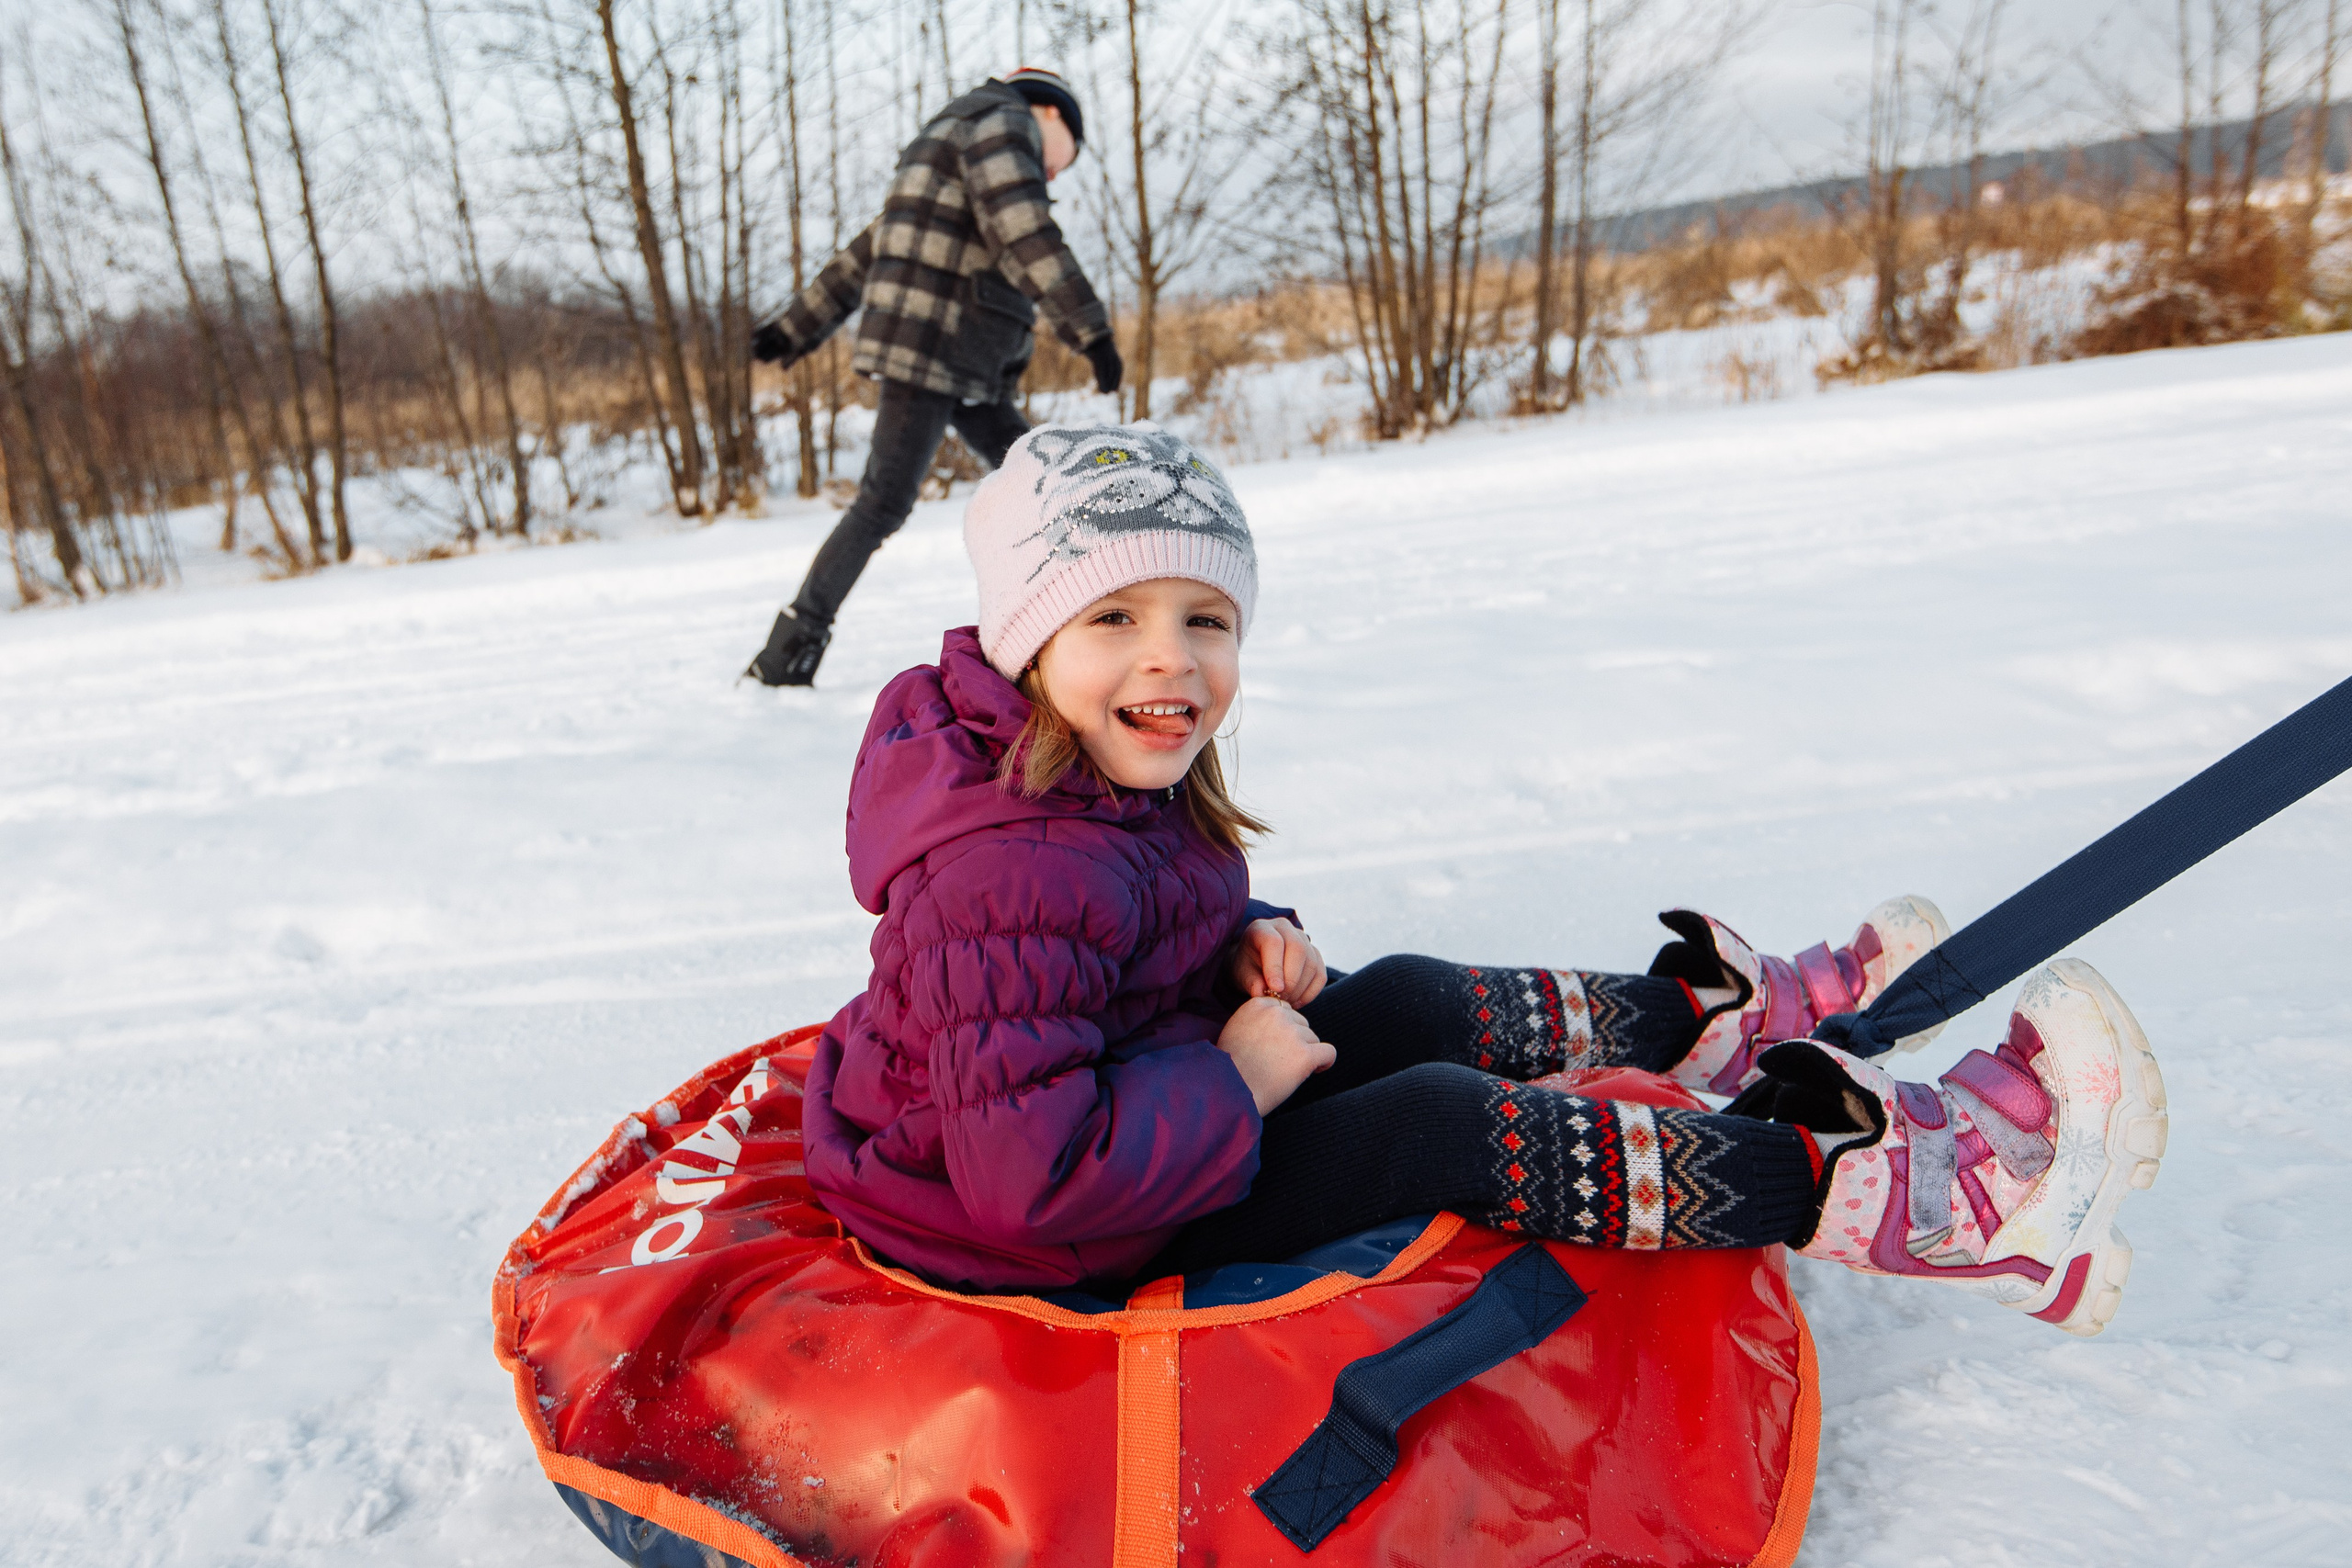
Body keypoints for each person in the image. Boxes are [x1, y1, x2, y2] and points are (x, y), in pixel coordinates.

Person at [800, 422, 2167, 1337]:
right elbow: (1026, 1179)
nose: (1173, 660)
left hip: (1112, 1109)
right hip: (1045, 1237)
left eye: (1204, 618)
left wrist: (1244, 946)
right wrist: (1240, 1079)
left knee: (1385, 996)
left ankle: (1705, 1022)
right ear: (1032, 640)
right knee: (1434, 1122)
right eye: (1114, 617)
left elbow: (1132, 929)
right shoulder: (1005, 872)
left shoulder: (1089, 773)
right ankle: (1923, 1206)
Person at [743, 66, 1123, 687]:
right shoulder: (1005, 123)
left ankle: (1091, 606)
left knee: (1037, 478)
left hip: (962, 358)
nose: (1055, 174)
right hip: (937, 351)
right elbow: (1024, 229)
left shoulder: (947, 138)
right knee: (885, 501)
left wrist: (795, 327)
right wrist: (1090, 329)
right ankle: (788, 652)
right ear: (1053, 113)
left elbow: (872, 247)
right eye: (1065, 160)